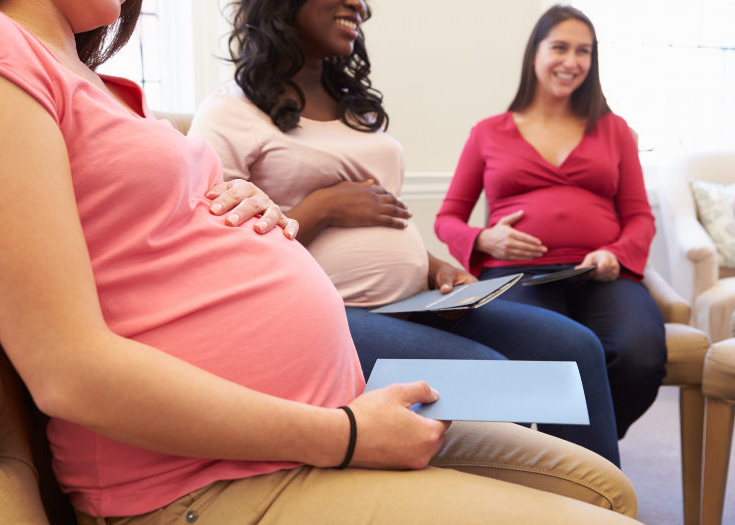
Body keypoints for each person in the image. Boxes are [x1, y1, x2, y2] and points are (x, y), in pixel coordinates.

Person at [0, 0, 640, 523]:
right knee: (511, 396)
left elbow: (144, 233)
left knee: (605, 485)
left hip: (330, 397)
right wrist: (346, 434)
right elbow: (68, 369)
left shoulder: (100, 84)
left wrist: (234, 206)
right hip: (211, 475)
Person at [188, 0, 622, 466]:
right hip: (326, 312)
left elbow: (385, 215)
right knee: (493, 380)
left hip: (414, 300)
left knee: (575, 348)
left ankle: (596, 507)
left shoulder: (354, 109)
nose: (359, 4)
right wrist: (322, 209)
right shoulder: (229, 111)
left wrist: (435, 267)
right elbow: (217, 250)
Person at [434, 5, 667, 440]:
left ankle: (585, 454)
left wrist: (615, 255)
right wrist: (484, 238)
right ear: (535, 54)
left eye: (584, 51)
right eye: (560, 47)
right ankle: (575, 471)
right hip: (515, 276)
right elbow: (448, 218)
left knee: (640, 354)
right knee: (551, 355)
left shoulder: (615, 130)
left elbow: (639, 216)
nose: (572, 61)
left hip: (600, 275)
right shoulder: (489, 132)